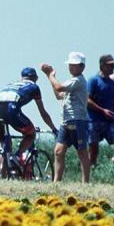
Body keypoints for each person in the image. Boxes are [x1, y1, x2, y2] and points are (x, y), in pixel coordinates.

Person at [41, 52, 90, 183]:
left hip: (78, 120)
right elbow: (59, 94)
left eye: (73, 65)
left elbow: (58, 86)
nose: (70, 67)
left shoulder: (78, 80)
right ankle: (56, 181)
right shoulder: (72, 81)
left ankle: (85, 182)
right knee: (58, 151)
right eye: (70, 65)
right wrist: (49, 77)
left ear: (81, 67)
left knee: (82, 152)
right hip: (66, 121)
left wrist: (51, 75)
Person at [0, 67, 57, 164]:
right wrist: (53, 128)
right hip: (11, 110)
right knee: (31, 134)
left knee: (4, 141)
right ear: (34, 78)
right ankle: (17, 156)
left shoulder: (11, 84)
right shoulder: (34, 87)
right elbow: (43, 112)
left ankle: (4, 162)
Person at [86, 54, 114, 167]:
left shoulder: (112, 83)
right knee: (93, 150)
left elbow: (113, 102)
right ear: (102, 66)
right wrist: (102, 110)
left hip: (110, 121)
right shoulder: (93, 80)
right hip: (94, 120)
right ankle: (90, 175)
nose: (113, 67)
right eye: (110, 65)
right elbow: (87, 100)